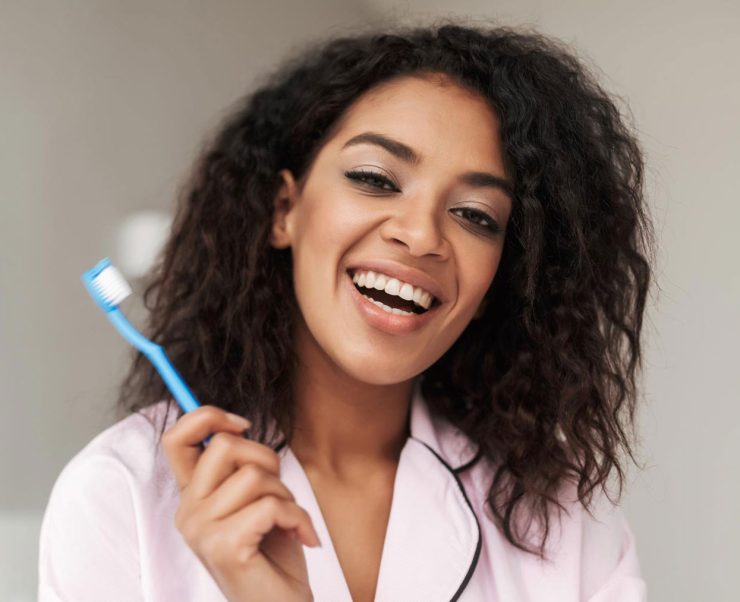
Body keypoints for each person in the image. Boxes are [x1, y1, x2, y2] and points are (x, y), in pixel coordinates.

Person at [38, 20, 653, 602]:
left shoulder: (561, 515)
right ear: (285, 210)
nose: (420, 236)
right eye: (375, 178)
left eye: (475, 215)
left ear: (498, 277)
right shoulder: (121, 494)